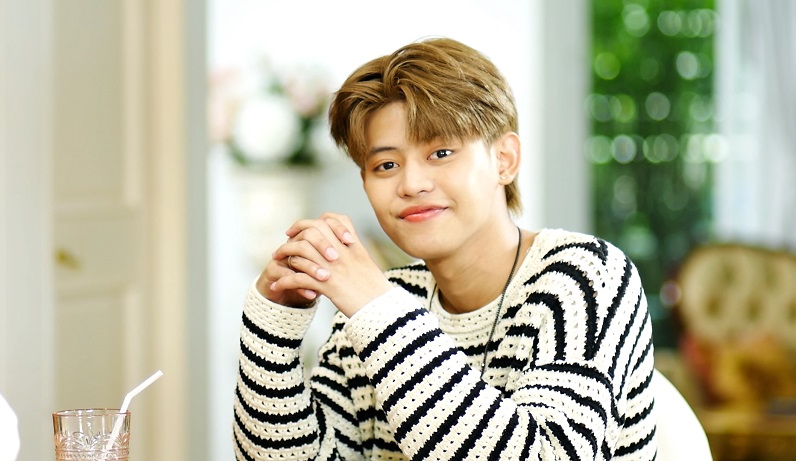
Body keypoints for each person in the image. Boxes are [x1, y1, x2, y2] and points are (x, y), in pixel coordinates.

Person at [233, 37, 656, 460]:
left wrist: (376, 309)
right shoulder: (377, 308)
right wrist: (273, 326)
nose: (412, 184)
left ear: (504, 160)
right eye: (386, 165)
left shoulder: (587, 276)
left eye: (441, 152)